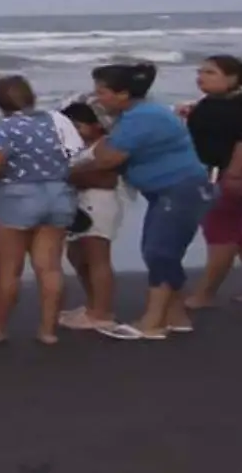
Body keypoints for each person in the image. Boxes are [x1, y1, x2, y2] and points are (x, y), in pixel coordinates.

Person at [74, 62, 214, 341]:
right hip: (168, 191)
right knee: (163, 251)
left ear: (123, 93)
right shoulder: (135, 115)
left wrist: (70, 171)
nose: (96, 98)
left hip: (179, 189)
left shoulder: (142, 118)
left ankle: (152, 322)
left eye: (102, 92)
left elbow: (109, 159)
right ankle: (176, 316)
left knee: (159, 252)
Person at [0, 76, 77, 345]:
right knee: (50, 268)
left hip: (18, 196)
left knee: (9, 270)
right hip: (58, 193)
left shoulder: (3, 128)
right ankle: (47, 330)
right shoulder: (53, 120)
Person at [181, 56, 242, 307]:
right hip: (222, 172)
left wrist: (234, 174)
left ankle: (204, 295)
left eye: (210, 72)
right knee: (236, 233)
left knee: (219, 233)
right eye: (200, 71)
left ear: (232, 78)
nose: (201, 76)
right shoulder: (211, 102)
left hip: (239, 173)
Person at [58, 101, 127, 331]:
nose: (72, 132)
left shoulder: (103, 145)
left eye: (77, 126)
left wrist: (70, 176)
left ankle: (102, 312)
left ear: (97, 125)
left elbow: (107, 179)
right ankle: (92, 303)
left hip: (98, 203)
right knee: (77, 255)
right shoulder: (76, 147)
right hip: (79, 204)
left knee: (97, 257)